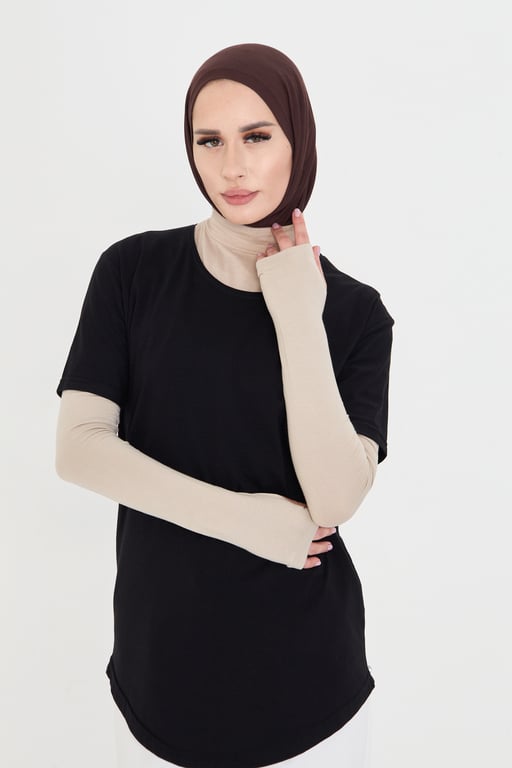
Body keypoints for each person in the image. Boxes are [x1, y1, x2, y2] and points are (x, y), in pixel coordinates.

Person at [55, 43, 394, 768]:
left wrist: (298, 313)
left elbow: (337, 496)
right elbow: (79, 448)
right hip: (158, 680)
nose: (232, 166)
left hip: (313, 691)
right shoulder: (133, 272)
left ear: (298, 141)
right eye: (209, 140)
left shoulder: (357, 314)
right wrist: (247, 523)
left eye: (257, 136)